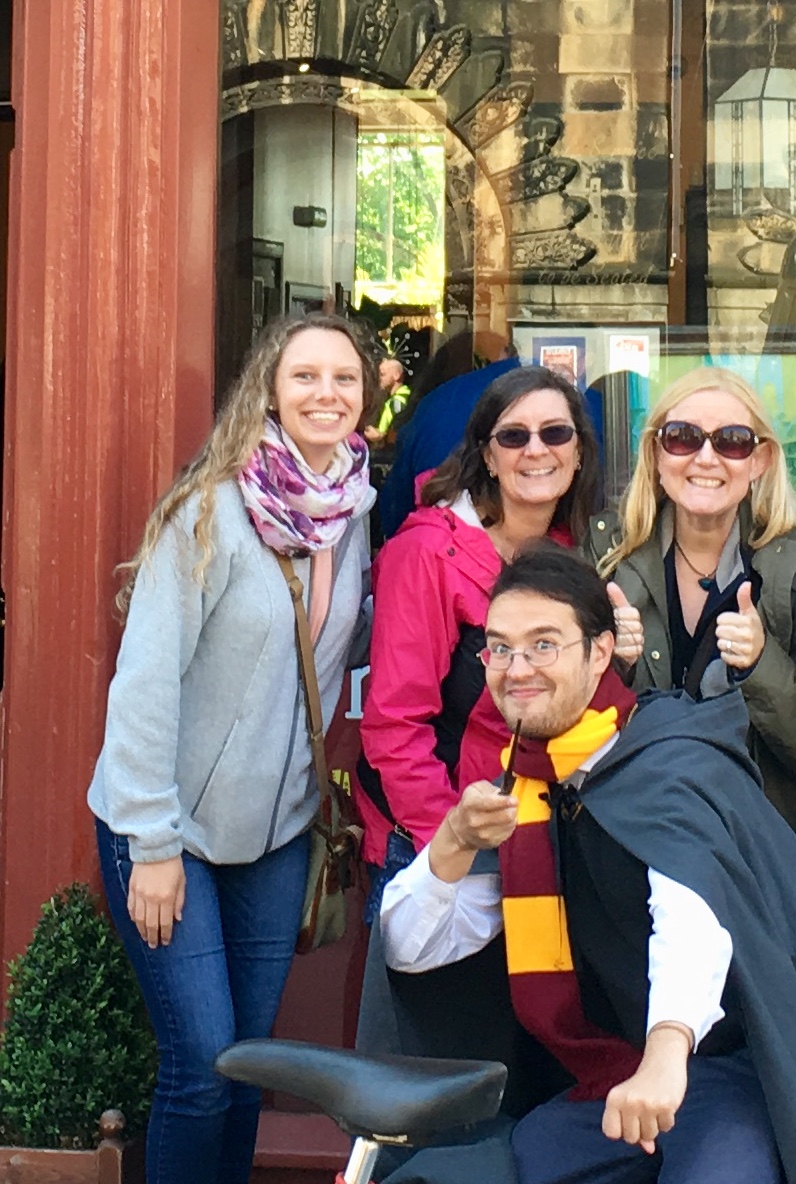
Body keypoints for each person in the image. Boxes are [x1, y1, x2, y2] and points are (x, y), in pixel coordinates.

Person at [379, 543, 796, 1184]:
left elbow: (692, 914)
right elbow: (412, 950)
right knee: (500, 1166)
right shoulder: (521, 786)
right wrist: (453, 844)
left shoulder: (665, 758)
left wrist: (665, 1054)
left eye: (544, 644)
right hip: (615, 1079)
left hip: (748, 1069)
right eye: (500, 647)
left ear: (599, 652)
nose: (518, 668)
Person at [87, 312, 380, 1184]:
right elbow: (144, 680)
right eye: (305, 377)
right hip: (167, 829)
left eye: (344, 379)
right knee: (204, 1065)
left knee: (251, 1066)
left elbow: (339, 655)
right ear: (270, 390)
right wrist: (152, 844)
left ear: (366, 397)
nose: (326, 394)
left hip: (278, 830)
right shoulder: (212, 509)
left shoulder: (354, 511)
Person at [355, 365, 601, 1071]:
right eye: (513, 435)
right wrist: (450, 846)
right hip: (442, 852)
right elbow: (394, 724)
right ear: (485, 453)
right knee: (425, 1071)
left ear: (578, 451)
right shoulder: (425, 550)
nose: (535, 450)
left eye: (554, 433)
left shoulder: (566, 555)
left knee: (516, 1073)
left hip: (537, 851)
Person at [583, 367, 796, 874]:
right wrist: (610, 668)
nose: (705, 458)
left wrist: (761, 665)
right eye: (683, 438)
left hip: (765, 861)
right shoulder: (604, 557)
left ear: (761, 460)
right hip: (632, 848)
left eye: (731, 441)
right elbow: (563, 728)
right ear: (657, 453)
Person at [377, 353, 522, 536]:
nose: (536, 450)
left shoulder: (438, 404)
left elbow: (395, 514)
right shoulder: (444, 405)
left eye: (553, 433)